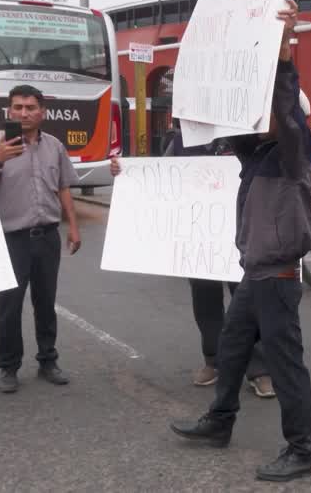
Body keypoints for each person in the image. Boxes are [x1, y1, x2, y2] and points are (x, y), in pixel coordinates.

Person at [170, 0, 311, 482]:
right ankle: (220, 421)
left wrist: (280, 53)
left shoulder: (295, 155)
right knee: (232, 350)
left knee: (285, 364)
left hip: (276, 277)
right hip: (253, 275)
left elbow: (285, 109)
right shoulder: (256, 155)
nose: (258, 122)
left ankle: (303, 449)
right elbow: (214, 122)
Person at [109, 135, 275, 398]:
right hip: (199, 242)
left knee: (249, 303)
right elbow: (159, 177)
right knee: (205, 302)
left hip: (247, 236)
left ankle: (259, 368)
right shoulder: (180, 141)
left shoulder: (249, 135)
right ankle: (214, 360)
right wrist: (125, 171)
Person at [0, 84, 81, 394]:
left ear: (42, 112)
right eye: (17, 107)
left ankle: (48, 360)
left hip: (47, 236)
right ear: (10, 111)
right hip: (12, 238)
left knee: (45, 302)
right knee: (9, 305)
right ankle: (8, 367)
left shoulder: (54, 146)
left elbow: (64, 186)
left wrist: (73, 227)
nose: (24, 113)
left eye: (30, 107)